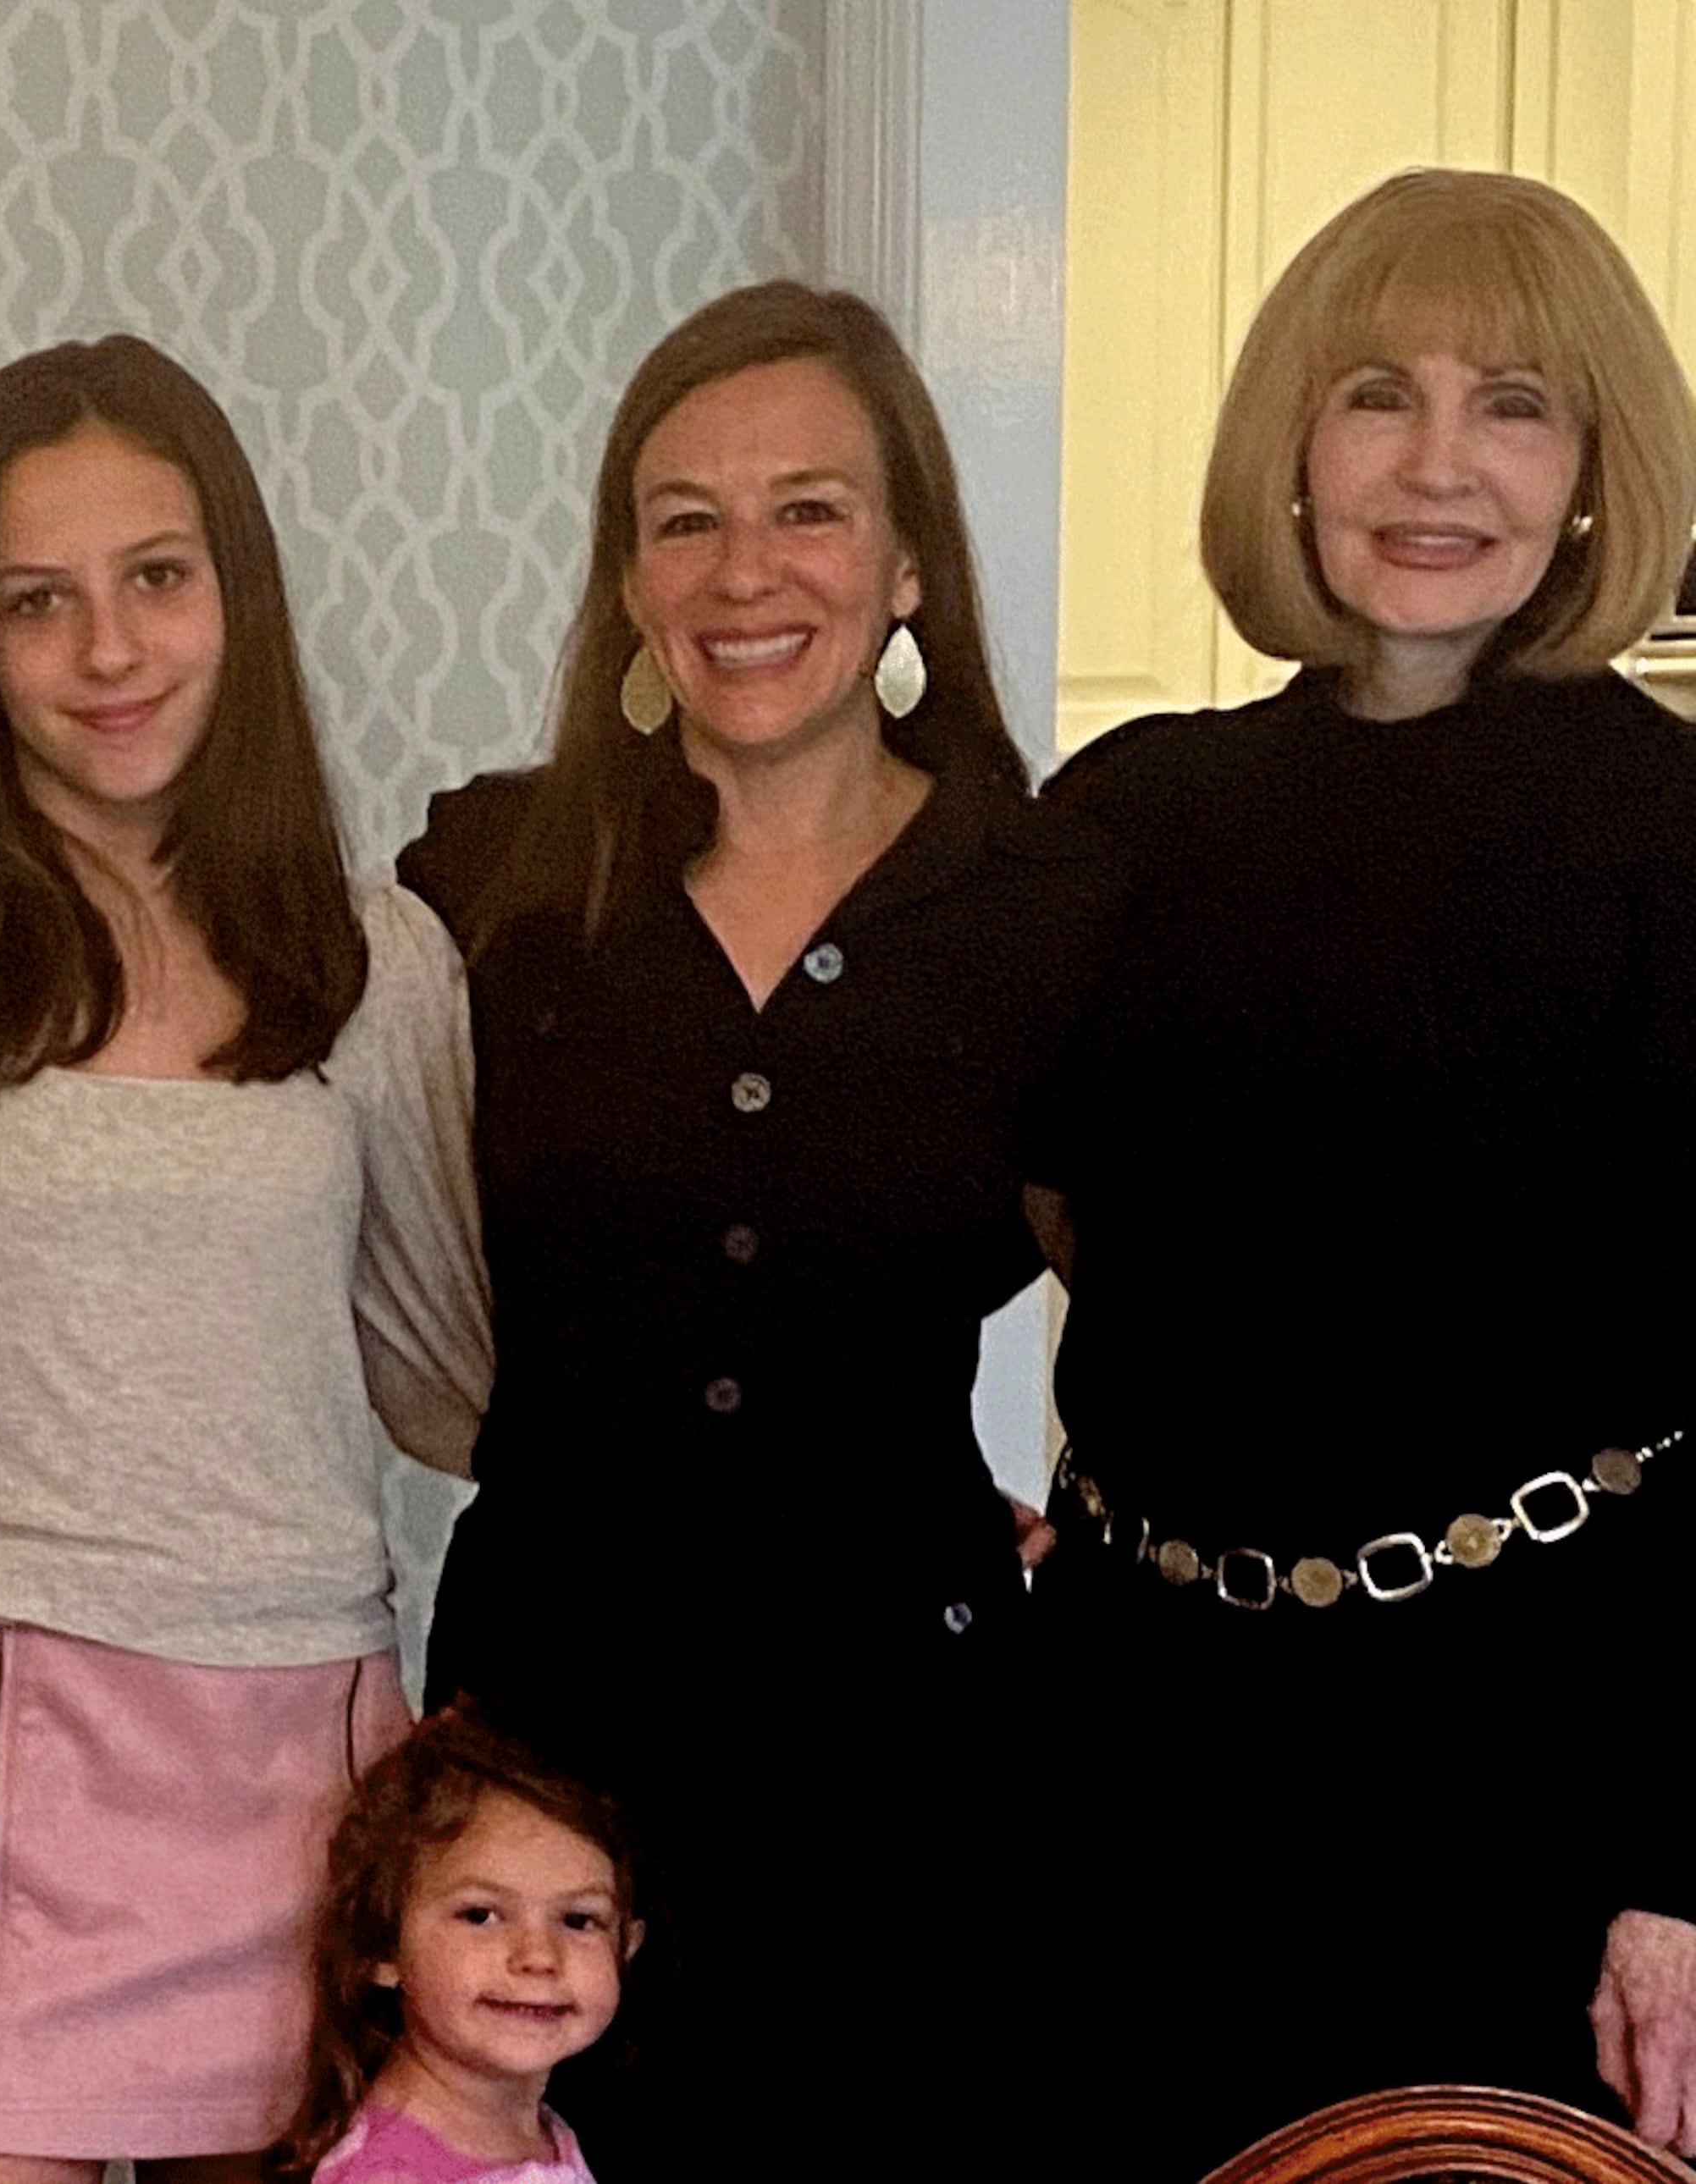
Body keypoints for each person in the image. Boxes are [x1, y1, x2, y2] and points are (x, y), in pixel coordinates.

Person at [395, 282, 1116, 2172]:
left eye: (807, 508)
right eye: (682, 517)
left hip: (911, 1748)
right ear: (628, 582)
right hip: (548, 1756)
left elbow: (1205, 1295)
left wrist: (1095, 1513)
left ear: (904, 566)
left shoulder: (1048, 902)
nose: (743, 571)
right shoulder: (488, 881)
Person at [1027, 168, 1696, 2175]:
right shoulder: (1133, 812)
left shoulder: (1671, 828)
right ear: (1287, 449)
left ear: (1590, 469)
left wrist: (1678, 1868)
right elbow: (1010, 1208)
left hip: (1527, 1773)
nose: (1433, 463)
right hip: (1130, 1742)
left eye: (1509, 401)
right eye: (1372, 396)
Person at [0, 334, 494, 2183]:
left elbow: (456, 1386)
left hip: (308, 1768)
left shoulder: (376, 956)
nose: (110, 654)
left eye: (158, 580)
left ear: (235, 595)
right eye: (39, 603)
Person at [268, 1707, 639, 2184]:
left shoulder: (531, 2129)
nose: (540, 1957)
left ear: (626, 1946)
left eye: (577, 1919)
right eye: (480, 1915)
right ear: (383, 1942)